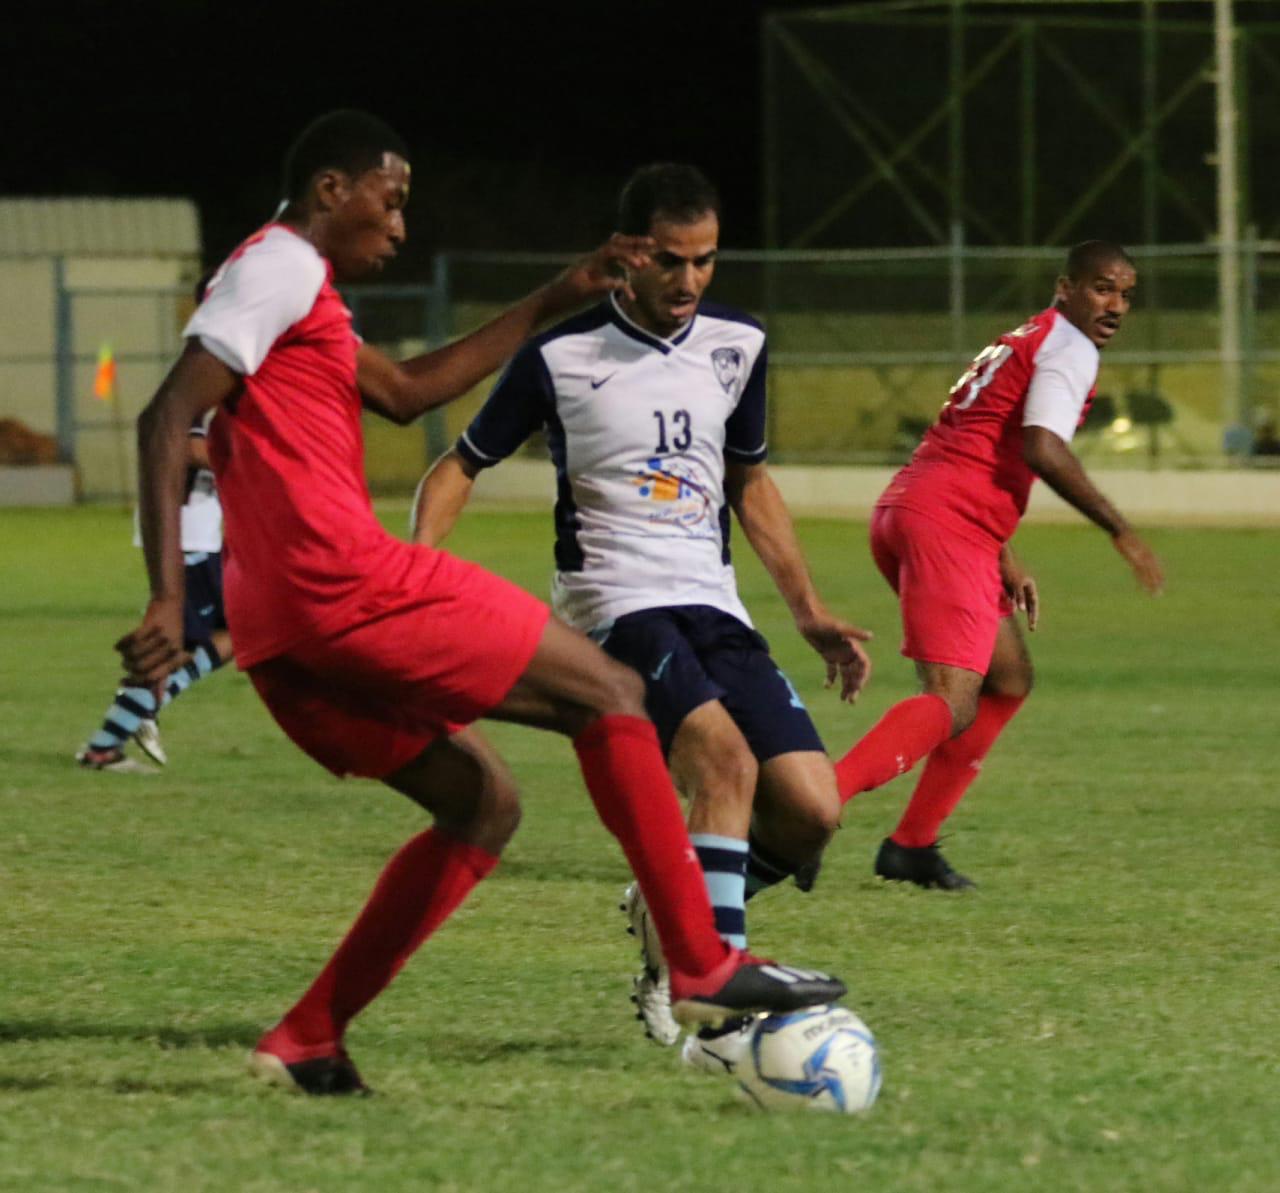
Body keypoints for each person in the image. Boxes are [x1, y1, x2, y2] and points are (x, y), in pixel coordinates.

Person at [115, 111, 845, 1096]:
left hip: (280, 630)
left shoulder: (291, 286)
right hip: (343, 581)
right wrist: (166, 594)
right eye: (390, 200)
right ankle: (701, 964)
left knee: (482, 803)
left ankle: (307, 1038)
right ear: (331, 190)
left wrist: (556, 295)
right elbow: (166, 413)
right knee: (611, 692)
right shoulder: (280, 265)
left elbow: (407, 392)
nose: (400, 225)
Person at [411, 162, 871, 1065]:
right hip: (615, 603)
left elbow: (748, 480)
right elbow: (459, 464)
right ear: (627, 254)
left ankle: (674, 911)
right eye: (669, 259)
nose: (689, 279)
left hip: (713, 603)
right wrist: (418, 571)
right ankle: (722, 1014)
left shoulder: (740, 342)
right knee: (724, 761)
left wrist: (808, 607)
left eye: (705, 259)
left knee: (813, 811)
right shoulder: (561, 356)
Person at [833, 241, 1165, 889]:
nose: (1116, 306)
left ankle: (911, 845)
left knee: (1008, 678)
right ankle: (811, 801)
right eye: (1102, 288)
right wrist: (1119, 529)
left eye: (1126, 294)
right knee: (950, 702)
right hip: (946, 524)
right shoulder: (1069, 348)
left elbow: (984, 441)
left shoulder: (1028, 337)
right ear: (1065, 287)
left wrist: (1001, 552)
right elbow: (1043, 448)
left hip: (921, 511)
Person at [77, 414, 231, 772]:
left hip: (198, 539)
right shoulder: (195, 404)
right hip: (186, 539)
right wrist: (250, 459)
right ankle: (108, 744)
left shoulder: (217, 403)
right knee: (180, 645)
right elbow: (187, 448)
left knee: (240, 628)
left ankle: (140, 713)